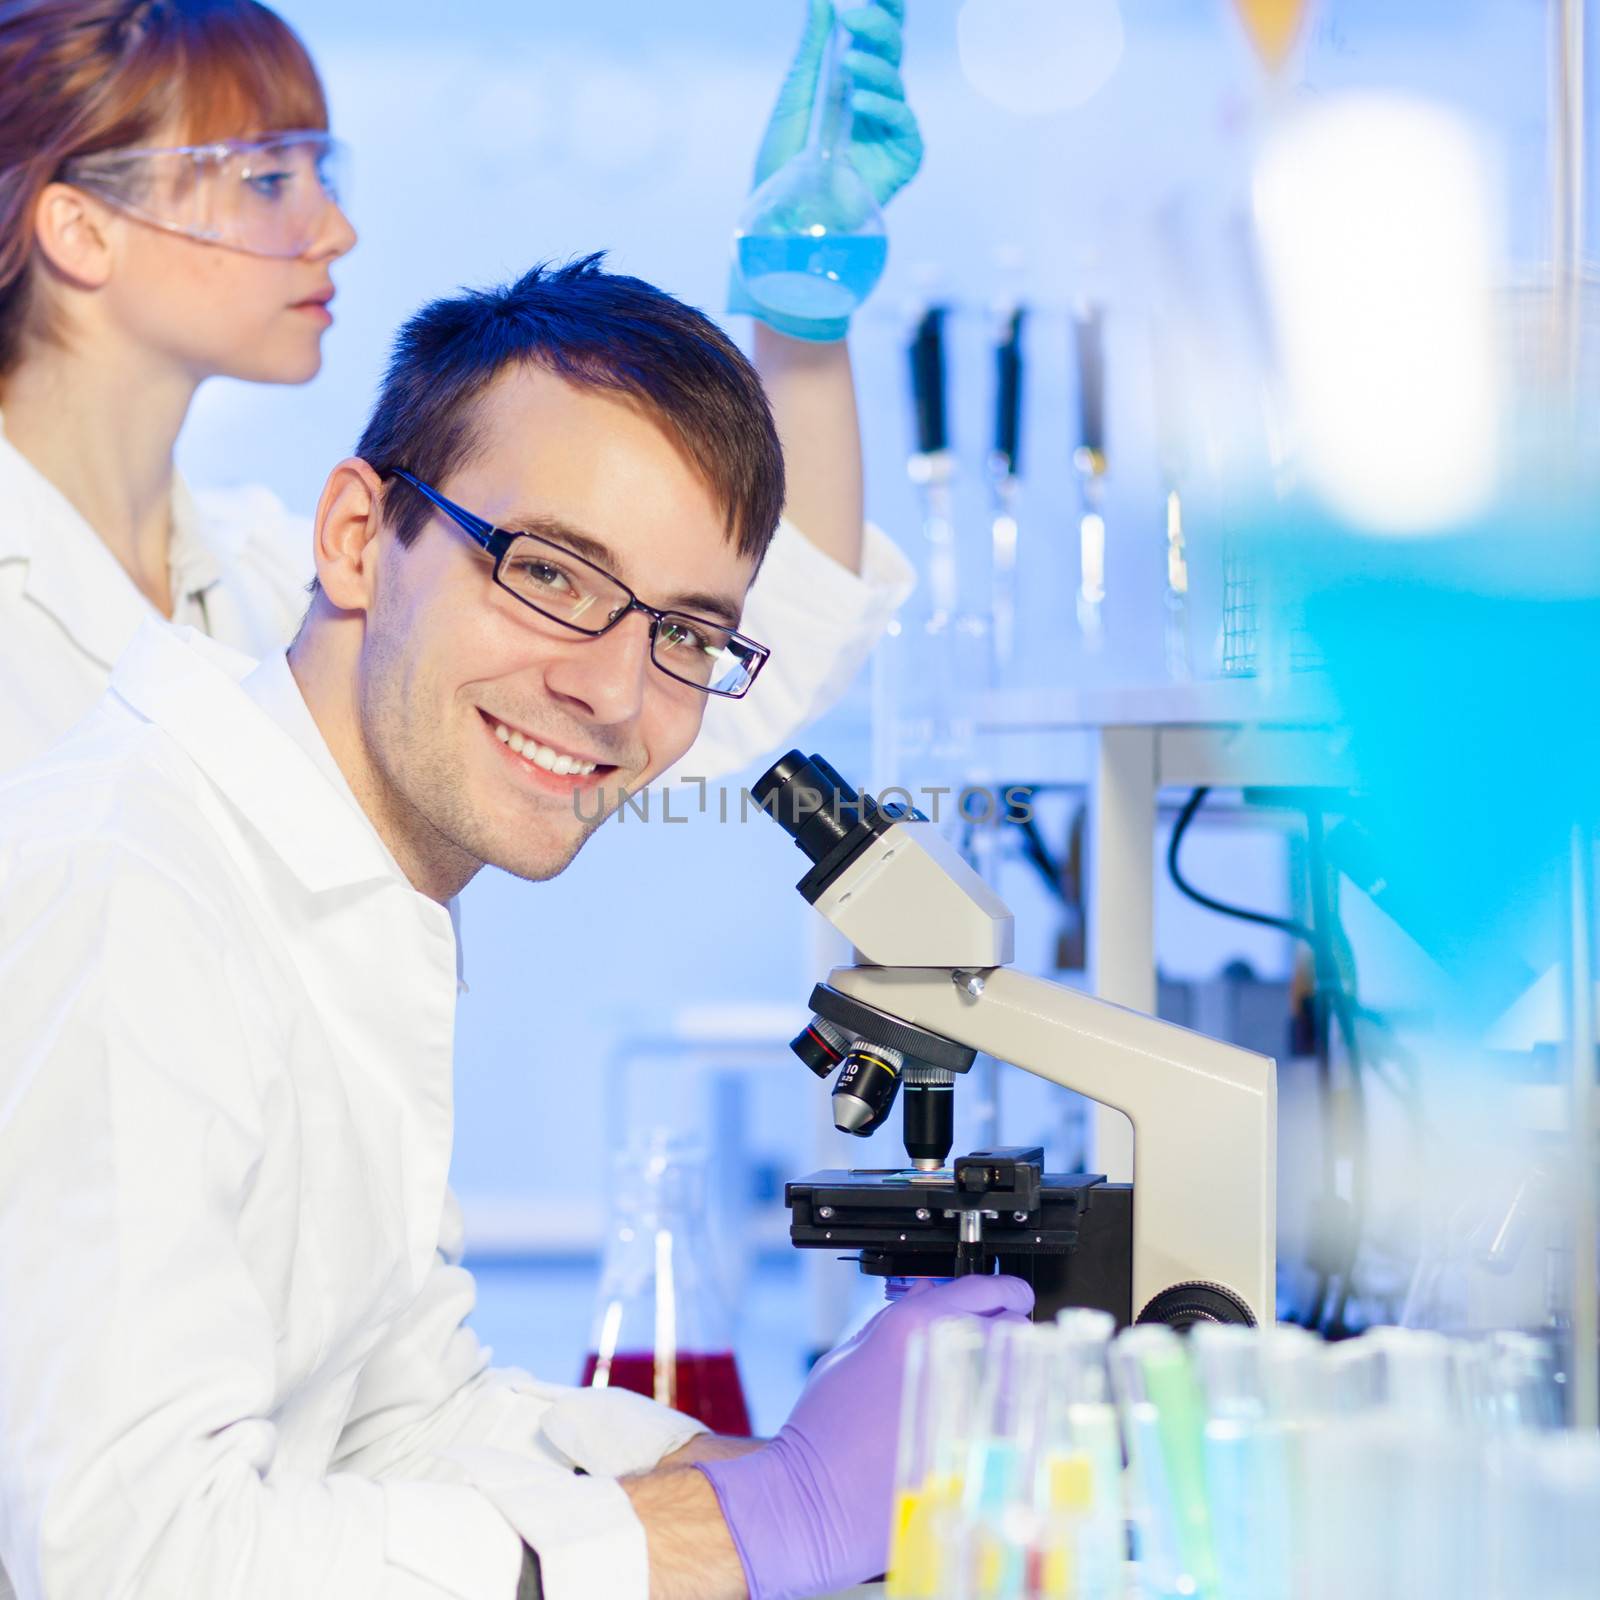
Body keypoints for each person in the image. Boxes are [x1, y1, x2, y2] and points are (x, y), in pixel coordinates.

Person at [0, 257, 1030, 1600]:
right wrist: (762, 1518)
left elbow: (402, 1419)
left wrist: (778, 1473)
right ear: (359, 540)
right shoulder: (127, 887)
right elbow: (125, 1556)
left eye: (686, 635)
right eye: (550, 573)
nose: (611, 689)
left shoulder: (352, 895)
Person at [0, 0, 916, 778]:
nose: (336, 229)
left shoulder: (262, 574)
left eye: (323, 173)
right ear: (81, 230)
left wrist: (799, 301)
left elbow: (696, 667)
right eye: (267, 178)